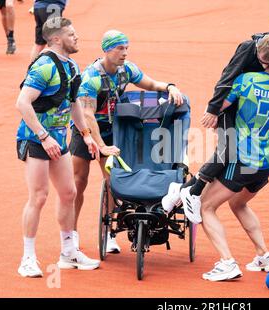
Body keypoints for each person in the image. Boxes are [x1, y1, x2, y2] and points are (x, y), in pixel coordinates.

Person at [70, 30, 184, 253]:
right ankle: (72, 233)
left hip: (113, 130)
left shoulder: (127, 69)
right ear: (106, 50)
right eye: (119, 48)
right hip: (86, 130)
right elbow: (87, 114)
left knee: (113, 181)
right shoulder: (91, 78)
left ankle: (110, 232)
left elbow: (150, 84)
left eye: (126, 48)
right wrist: (100, 145)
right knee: (78, 182)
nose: (124, 53)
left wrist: (170, 86)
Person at [199, 39, 269, 281]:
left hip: (243, 158)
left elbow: (220, 106)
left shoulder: (247, 81)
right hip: (266, 161)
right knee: (238, 203)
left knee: (206, 207)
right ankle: (264, 255)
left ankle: (227, 262)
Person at [162, 32, 269, 219]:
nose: (263, 66)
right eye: (260, 61)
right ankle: (193, 192)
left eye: (267, 64)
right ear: (257, 49)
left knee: (230, 155)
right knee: (228, 151)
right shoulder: (247, 48)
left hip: (246, 111)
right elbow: (226, 79)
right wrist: (214, 110)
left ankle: (180, 189)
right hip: (228, 106)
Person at [15, 17, 101, 277]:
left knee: (68, 193)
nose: (77, 38)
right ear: (55, 39)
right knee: (39, 197)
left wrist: (85, 134)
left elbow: (73, 104)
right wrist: (44, 137)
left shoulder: (72, 66)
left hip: (58, 140)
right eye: (71, 34)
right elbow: (22, 103)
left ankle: (68, 253)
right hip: (35, 138)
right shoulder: (43, 67)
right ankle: (28, 258)